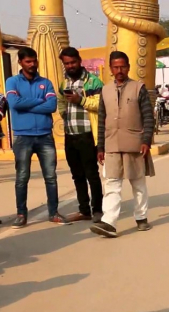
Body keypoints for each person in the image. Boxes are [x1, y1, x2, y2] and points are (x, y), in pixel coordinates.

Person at [91, 51, 155, 238]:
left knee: (138, 183)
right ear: (111, 69)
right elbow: (102, 119)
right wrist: (100, 147)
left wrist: (146, 141)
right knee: (111, 185)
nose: (119, 70)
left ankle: (141, 218)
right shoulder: (105, 90)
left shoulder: (138, 88)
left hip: (134, 143)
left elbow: (148, 116)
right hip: (111, 144)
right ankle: (109, 222)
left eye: (123, 67)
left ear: (128, 67)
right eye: (116, 67)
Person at [6, 47, 70, 228]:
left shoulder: (46, 82)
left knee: (50, 177)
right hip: (22, 137)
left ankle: (53, 212)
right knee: (22, 177)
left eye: (34, 61)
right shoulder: (12, 82)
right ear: (20, 62)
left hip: (44, 136)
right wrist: (39, 101)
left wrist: (25, 104)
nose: (32, 64)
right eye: (28, 61)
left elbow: (51, 107)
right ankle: (21, 214)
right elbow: (13, 103)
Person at [57, 47, 104, 223]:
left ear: (79, 60)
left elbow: (100, 104)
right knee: (77, 175)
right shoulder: (64, 83)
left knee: (92, 174)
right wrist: (64, 113)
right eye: (67, 63)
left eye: (73, 62)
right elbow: (60, 100)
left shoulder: (93, 82)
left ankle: (97, 210)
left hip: (87, 135)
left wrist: (80, 100)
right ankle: (84, 210)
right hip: (71, 135)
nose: (70, 66)